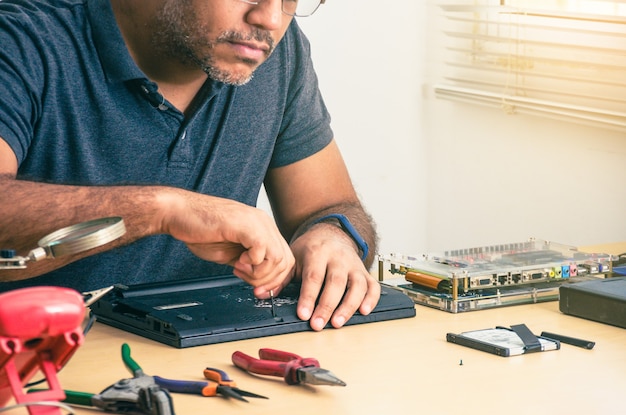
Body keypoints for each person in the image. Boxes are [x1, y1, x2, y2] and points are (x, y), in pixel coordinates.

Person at [0, 0, 380, 331]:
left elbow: (331, 208)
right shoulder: (22, 38)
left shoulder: (272, 52)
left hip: (207, 362)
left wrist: (335, 237)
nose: (270, 19)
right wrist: (163, 209)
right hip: (37, 366)